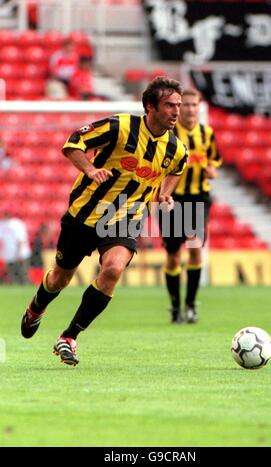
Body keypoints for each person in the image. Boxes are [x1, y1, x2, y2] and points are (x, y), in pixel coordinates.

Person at [20, 76, 188, 367]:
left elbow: (177, 167)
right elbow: (73, 143)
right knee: (60, 277)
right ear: (150, 106)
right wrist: (90, 170)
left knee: (112, 270)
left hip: (125, 218)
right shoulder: (120, 126)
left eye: (178, 106)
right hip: (85, 214)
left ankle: (69, 337)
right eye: (169, 105)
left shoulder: (177, 149)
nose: (175, 111)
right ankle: (37, 307)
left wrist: (164, 194)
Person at [160, 88, 222, 324]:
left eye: (193, 105)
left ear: (199, 107)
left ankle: (191, 304)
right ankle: (176, 307)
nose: (189, 109)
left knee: (195, 249)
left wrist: (212, 170)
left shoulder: (207, 134)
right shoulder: (169, 134)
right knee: (173, 255)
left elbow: (215, 160)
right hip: (172, 199)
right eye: (185, 105)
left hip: (198, 199)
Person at [0, 212, 31, 284]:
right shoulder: (2, 224)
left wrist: (19, 253)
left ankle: (26, 287)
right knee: (13, 274)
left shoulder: (17, 224)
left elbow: (20, 240)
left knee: (22, 273)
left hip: (20, 254)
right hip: (9, 254)